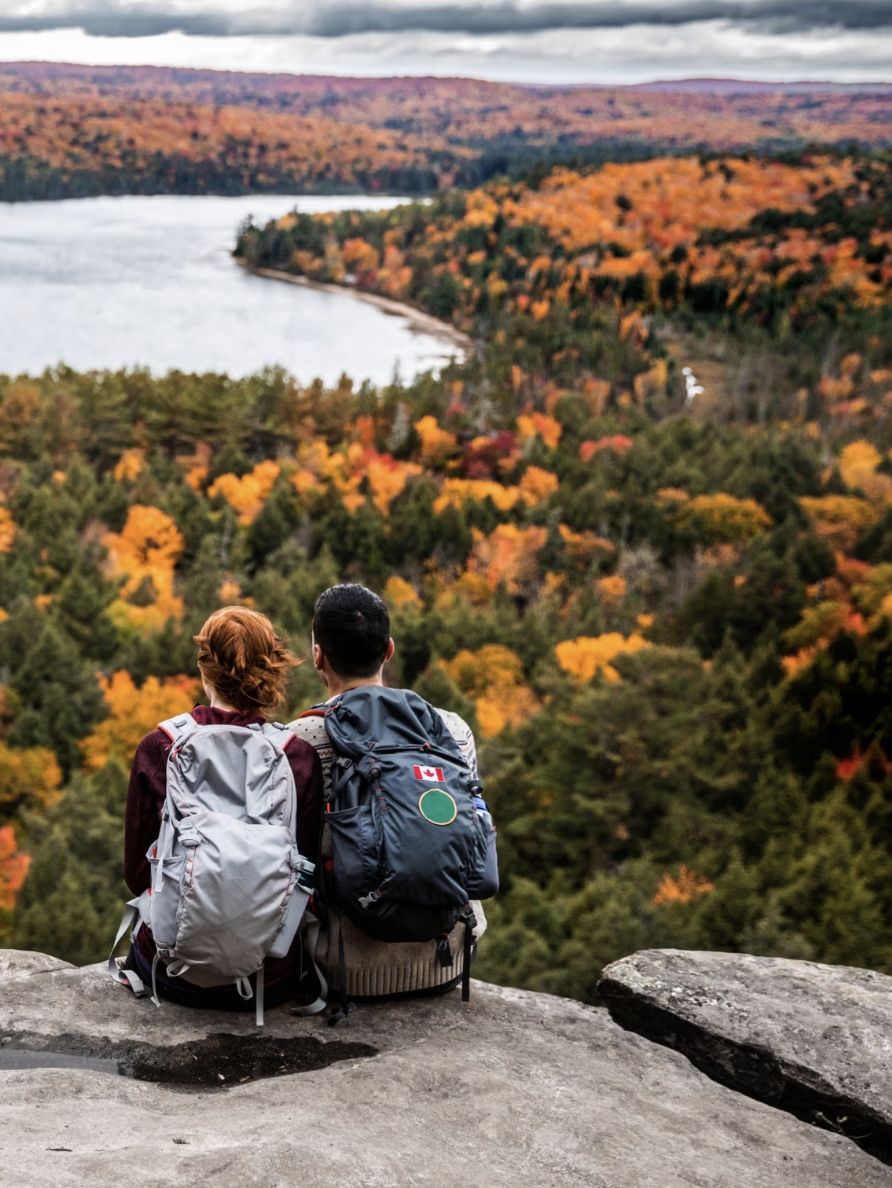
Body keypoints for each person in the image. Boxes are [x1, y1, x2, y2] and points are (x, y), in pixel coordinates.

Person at [289, 582, 486, 1000]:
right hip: (444, 962)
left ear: (317, 656)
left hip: (342, 970)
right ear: (389, 650)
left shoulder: (299, 739)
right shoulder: (452, 731)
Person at [122, 606, 323, 1010]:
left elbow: (138, 874)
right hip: (269, 974)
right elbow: (305, 874)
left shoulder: (160, 746)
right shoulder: (297, 756)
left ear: (203, 669)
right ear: (271, 670)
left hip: (170, 972)